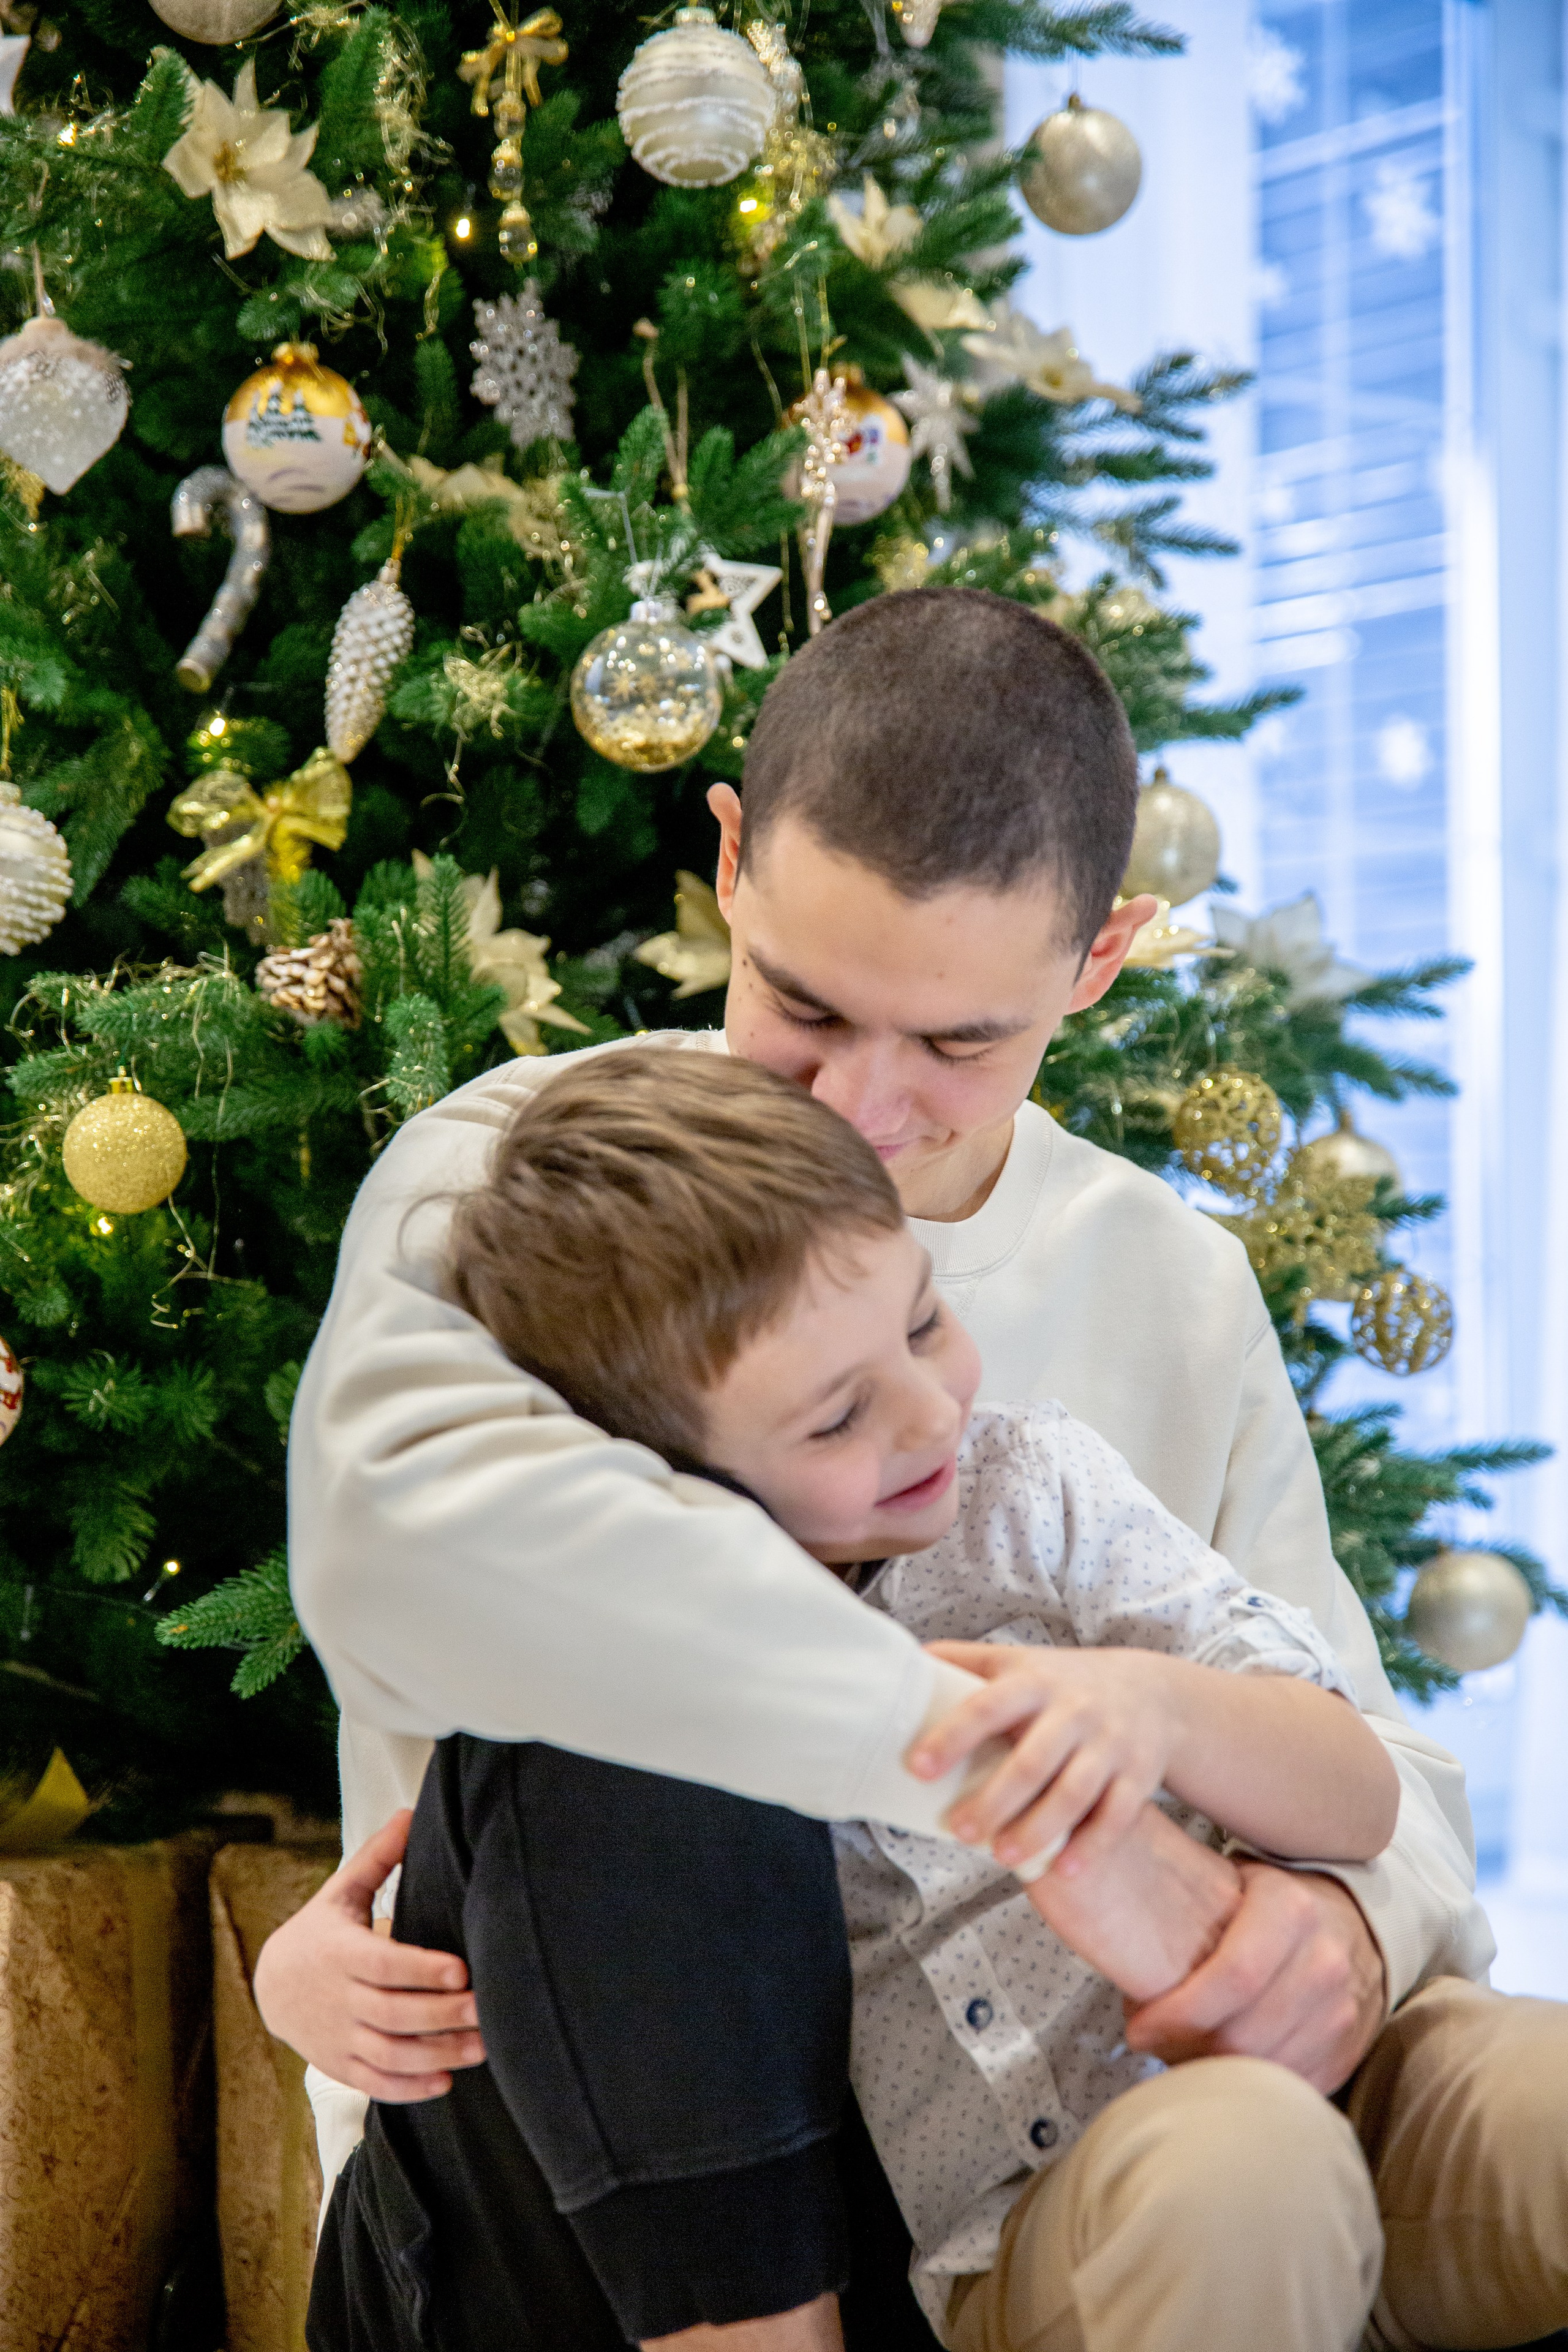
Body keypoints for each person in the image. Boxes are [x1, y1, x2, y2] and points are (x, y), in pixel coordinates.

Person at [267, 590, 1567, 2350]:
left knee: (1487, 2113)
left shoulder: (1168, 1288)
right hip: (602, 2181)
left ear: (1100, 962)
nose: (859, 1111)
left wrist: (1344, 1920)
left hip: (1119, 2113)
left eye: (959, 1045)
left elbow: (1361, 1746)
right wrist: (1081, 1813)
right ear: (727, 862)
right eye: (802, 1007)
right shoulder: (521, 1184)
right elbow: (461, 1596)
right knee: (644, 1695)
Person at [306, 1049, 1401, 2352]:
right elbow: (459, 1881)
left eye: (927, 1320)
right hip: (664, 2238)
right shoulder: (585, 1637)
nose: (930, 1411)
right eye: (833, 1421)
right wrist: (302, 1979)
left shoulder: (1033, 1494)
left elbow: (1354, 1779)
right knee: (636, 1697)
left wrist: (1154, 1719)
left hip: (1102, 2172)